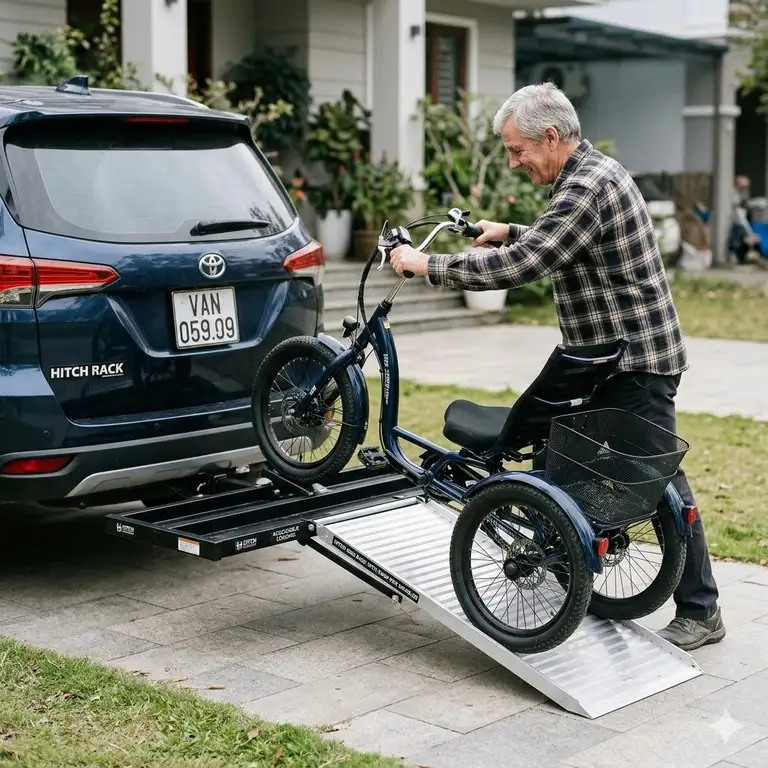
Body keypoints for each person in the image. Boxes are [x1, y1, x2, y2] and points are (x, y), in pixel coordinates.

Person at [390, 82, 725, 651]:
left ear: (551, 136)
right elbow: (564, 243)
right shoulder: (587, 176)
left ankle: (700, 609)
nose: (513, 161)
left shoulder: (587, 185)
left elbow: (530, 262)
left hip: (633, 361)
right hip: (607, 359)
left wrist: (428, 265)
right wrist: (510, 230)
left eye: (517, 150)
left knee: (661, 480)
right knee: (557, 454)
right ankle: (567, 575)